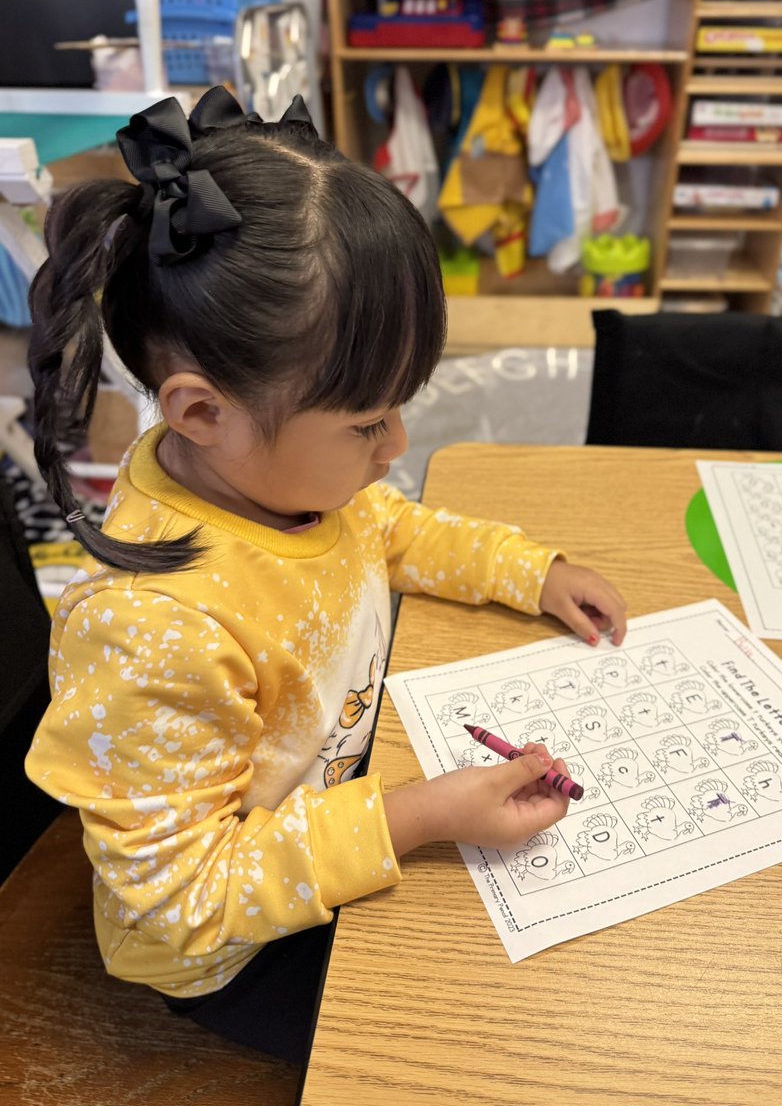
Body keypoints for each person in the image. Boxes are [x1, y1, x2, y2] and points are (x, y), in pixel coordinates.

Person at [24, 88, 627, 1065]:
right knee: (485, 1043)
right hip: (237, 948)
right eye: (367, 423)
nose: (397, 446)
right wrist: (422, 815)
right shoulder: (153, 631)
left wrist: (532, 571)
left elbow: (389, 531)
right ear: (202, 413)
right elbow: (183, 900)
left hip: (333, 804)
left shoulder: (279, 478)